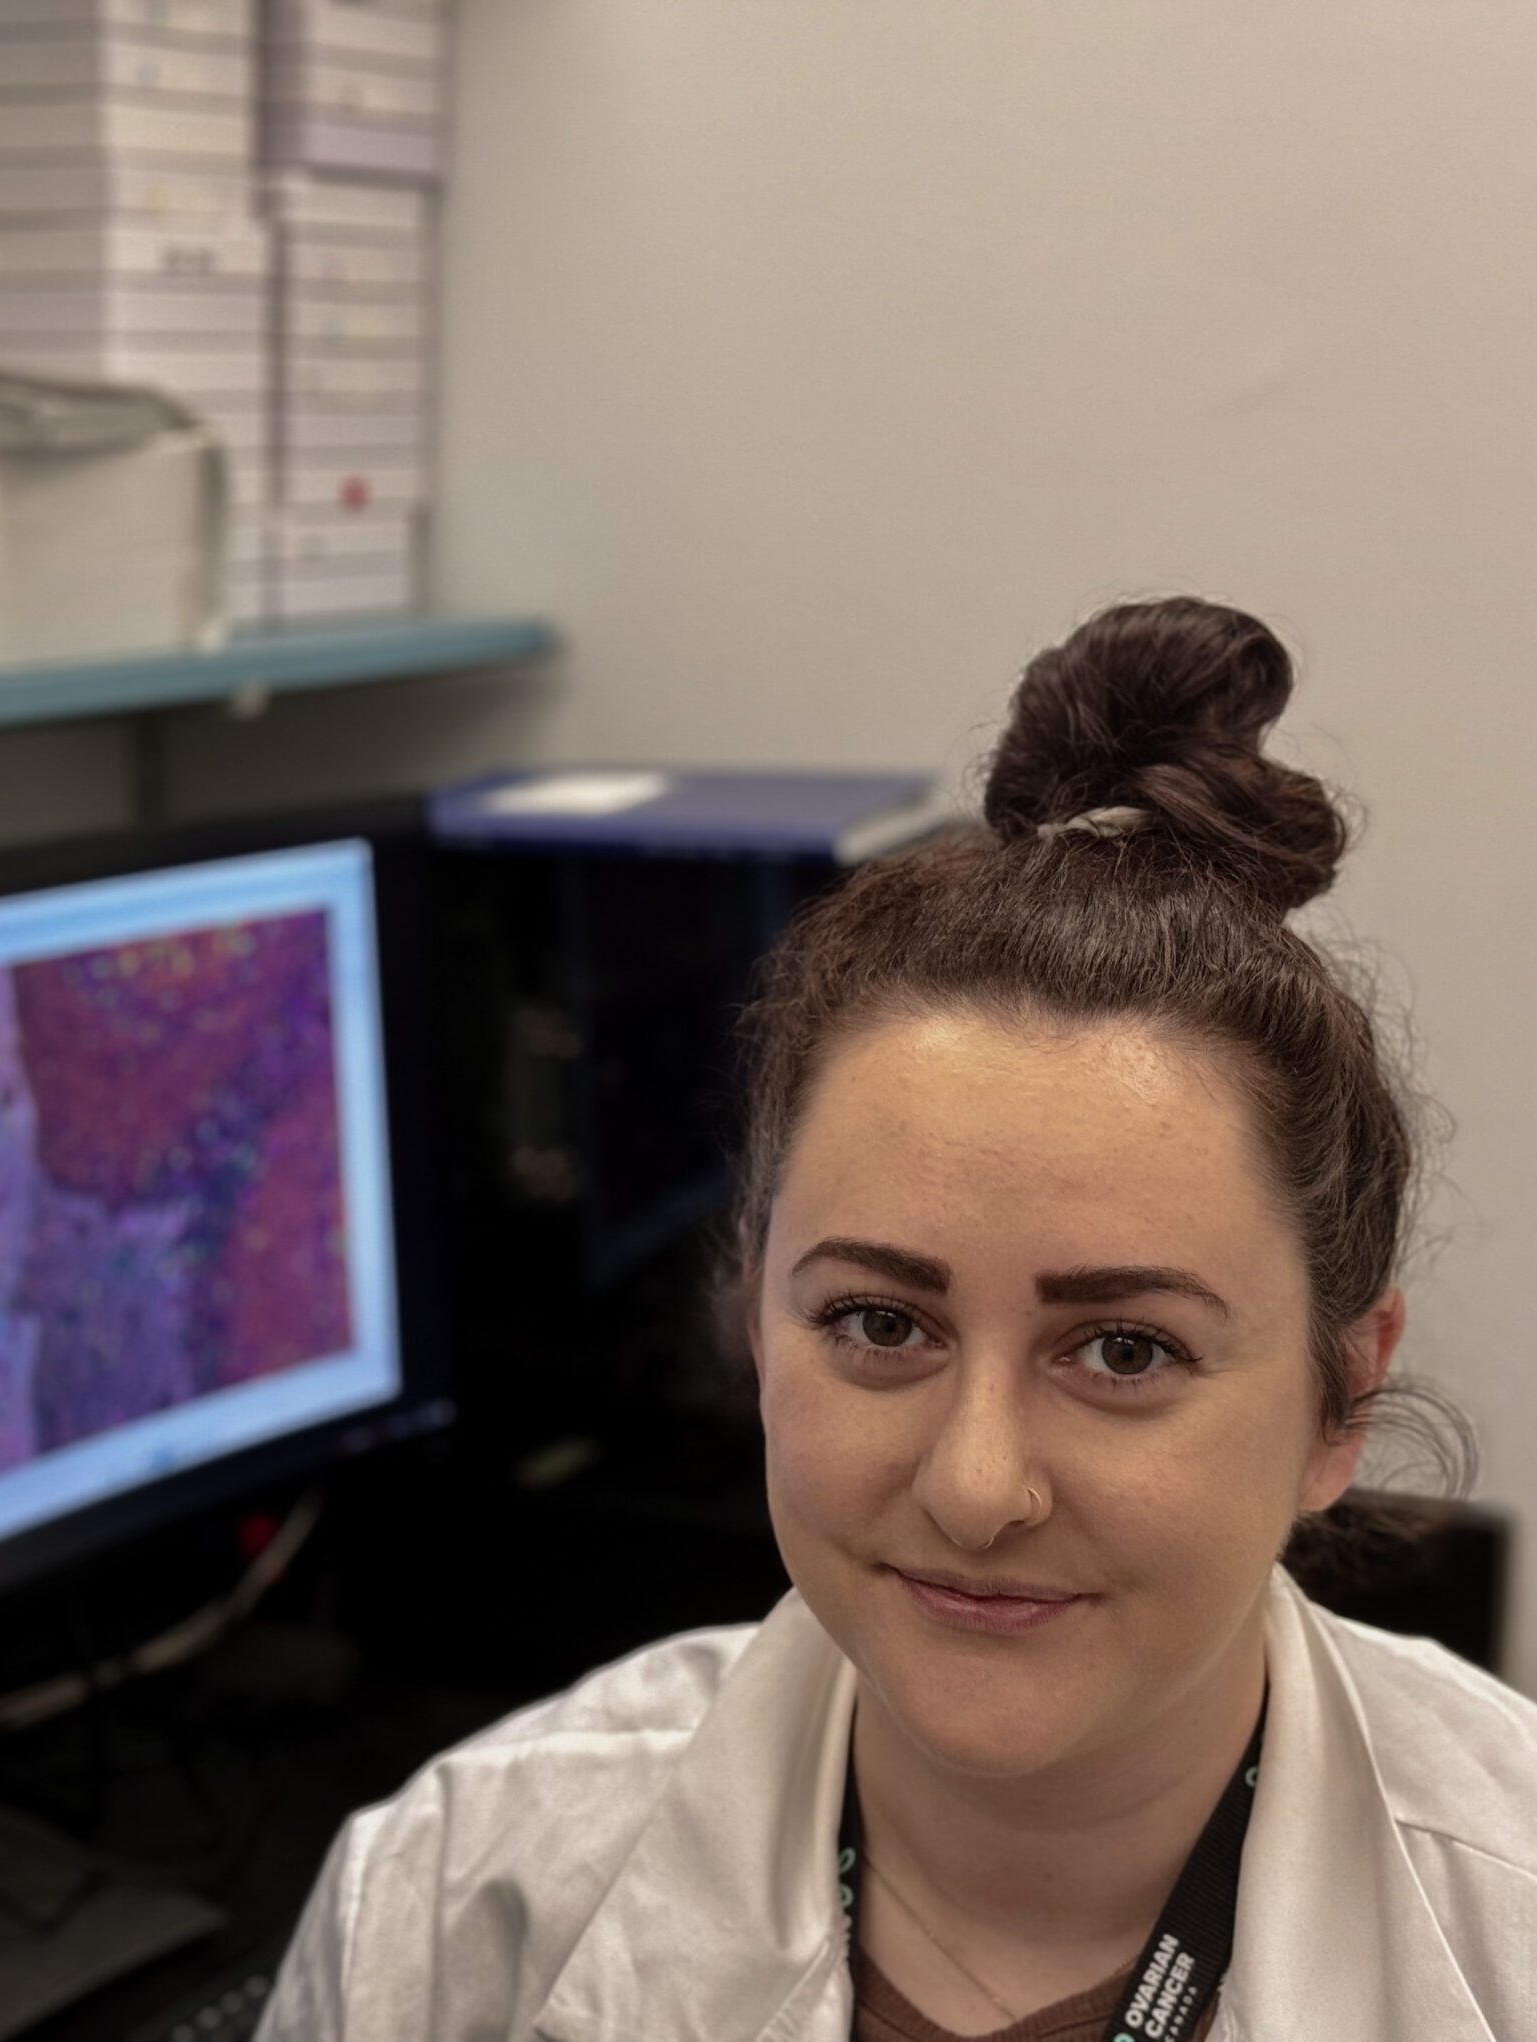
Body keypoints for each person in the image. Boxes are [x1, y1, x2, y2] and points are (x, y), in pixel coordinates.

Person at [255, 599, 1537, 2042]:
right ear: (753, 1321)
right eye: (879, 1322)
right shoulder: (445, 1905)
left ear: (1339, 1403)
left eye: (1125, 1349)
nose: (975, 1485)